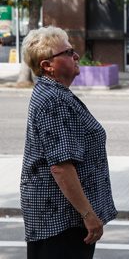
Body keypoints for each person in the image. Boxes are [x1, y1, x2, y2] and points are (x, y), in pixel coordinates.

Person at [20, 26, 117, 259]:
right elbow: (61, 167)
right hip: (62, 221)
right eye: (68, 52)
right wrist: (88, 215)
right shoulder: (54, 100)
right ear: (47, 66)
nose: (76, 56)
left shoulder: (56, 93)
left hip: (61, 217)